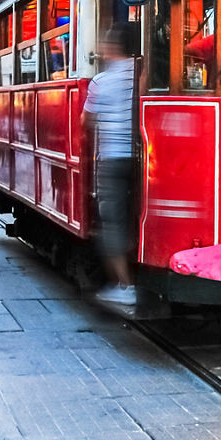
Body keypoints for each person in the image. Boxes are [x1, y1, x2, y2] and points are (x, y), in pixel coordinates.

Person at [83, 22, 138, 307]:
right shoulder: (143, 76)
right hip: (142, 159)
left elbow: (86, 121)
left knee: (112, 220)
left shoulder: (101, 82)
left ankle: (125, 286)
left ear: (112, 47)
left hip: (113, 158)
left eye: (105, 45)